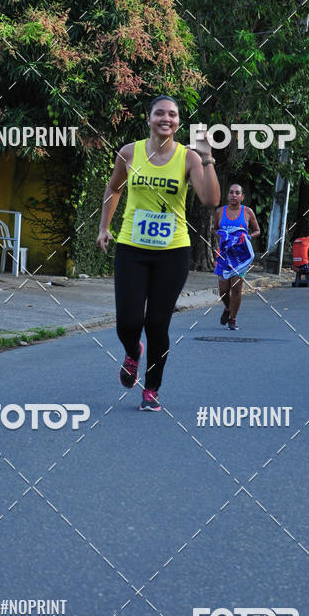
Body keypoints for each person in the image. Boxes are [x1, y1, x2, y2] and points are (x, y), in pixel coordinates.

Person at [96, 95, 220, 411]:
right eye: (160, 113)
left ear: (178, 122)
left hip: (172, 252)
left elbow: (210, 200)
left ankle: (151, 389)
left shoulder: (189, 158)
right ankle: (132, 351)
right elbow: (114, 188)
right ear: (149, 118)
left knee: (157, 324)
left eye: (173, 114)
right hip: (131, 248)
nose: (166, 118)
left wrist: (207, 158)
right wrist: (104, 227)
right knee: (128, 322)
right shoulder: (129, 152)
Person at [214, 185, 260, 330]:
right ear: (227, 195)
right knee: (223, 291)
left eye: (237, 193)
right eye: (231, 192)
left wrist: (247, 237)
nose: (234, 195)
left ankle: (233, 319)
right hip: (224, 256)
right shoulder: (220, 211)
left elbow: (257, 230)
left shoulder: (247, 212)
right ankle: (228, 308)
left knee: (236, 288)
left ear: (242, 196)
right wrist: (223, 238)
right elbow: (215, 229)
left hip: (240, 258)